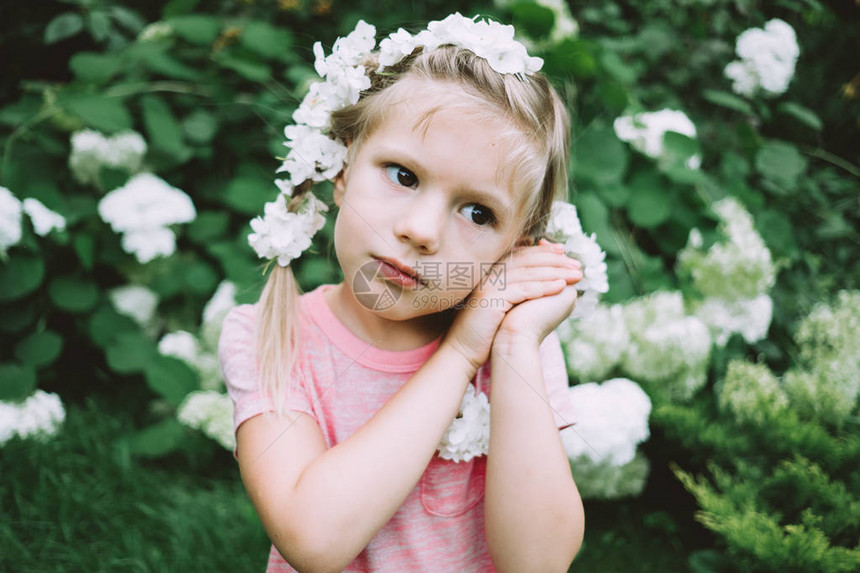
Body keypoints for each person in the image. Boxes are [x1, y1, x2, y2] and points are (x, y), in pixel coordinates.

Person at [219, 14, 586, 572]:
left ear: (517, 245)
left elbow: (537, 564)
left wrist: (509, 346)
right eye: (404, 175)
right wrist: (460, 352)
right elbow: (313, 540)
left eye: (478, 212)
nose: (422, 229)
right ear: (342, 168)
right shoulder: (269, 335)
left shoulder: (513, 342)